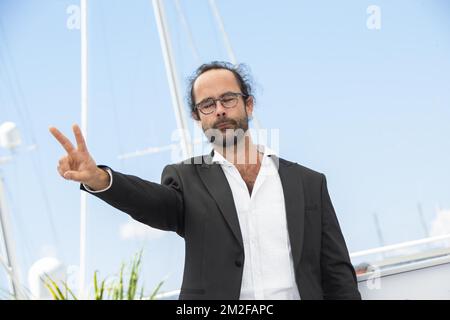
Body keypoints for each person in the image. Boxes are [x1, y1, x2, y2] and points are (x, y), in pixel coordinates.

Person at [49, 61, 361, 300]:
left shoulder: (308, 183)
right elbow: (151, 203)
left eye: (228, 99)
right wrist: (101, 179)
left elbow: (337, 271)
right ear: (198, 117)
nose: (220, 111)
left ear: (248, 104)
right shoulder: (186, 178)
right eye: (208, 105)